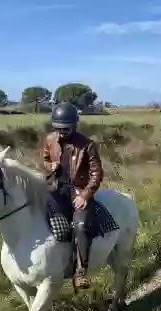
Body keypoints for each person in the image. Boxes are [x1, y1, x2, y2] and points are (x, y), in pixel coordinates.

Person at [40, 102, 103, 289]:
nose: (61, 132)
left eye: (65, 128)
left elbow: (96, 173)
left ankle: (80, 272)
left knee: (80, 226)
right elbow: (45, 158)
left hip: (78, 191)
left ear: (74, 125)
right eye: (57, 128)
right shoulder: (50, 140)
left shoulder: (87, 145)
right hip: (57, 188)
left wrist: (85, 195)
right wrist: (49, 166)